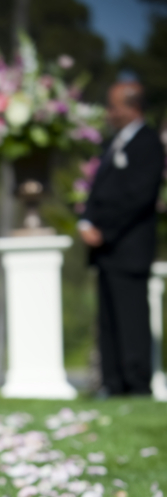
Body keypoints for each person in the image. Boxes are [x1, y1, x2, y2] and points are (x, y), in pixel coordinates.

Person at [79, 81, 165, 397]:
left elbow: (138, 197)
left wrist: (106, 230)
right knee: (109, 321)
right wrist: (86, 220)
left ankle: (137, 384)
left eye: (114, 106)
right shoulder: (112, 143)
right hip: (106, 250)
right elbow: (98, 190)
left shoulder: (148, 144)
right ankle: (112, 383)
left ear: (133, 107)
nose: (109, 112)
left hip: (129, 246)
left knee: (131, 318)